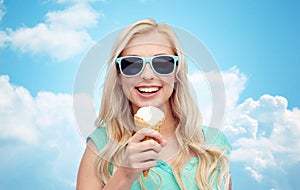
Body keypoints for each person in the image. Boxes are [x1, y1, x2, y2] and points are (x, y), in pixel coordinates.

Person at [76, 18, 232, 190]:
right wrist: (124, 175)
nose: (147, 75)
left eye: (162, 63)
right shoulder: (101, 147)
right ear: (119, 75)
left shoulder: (214, 143)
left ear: (176, 73)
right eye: (132, 64)